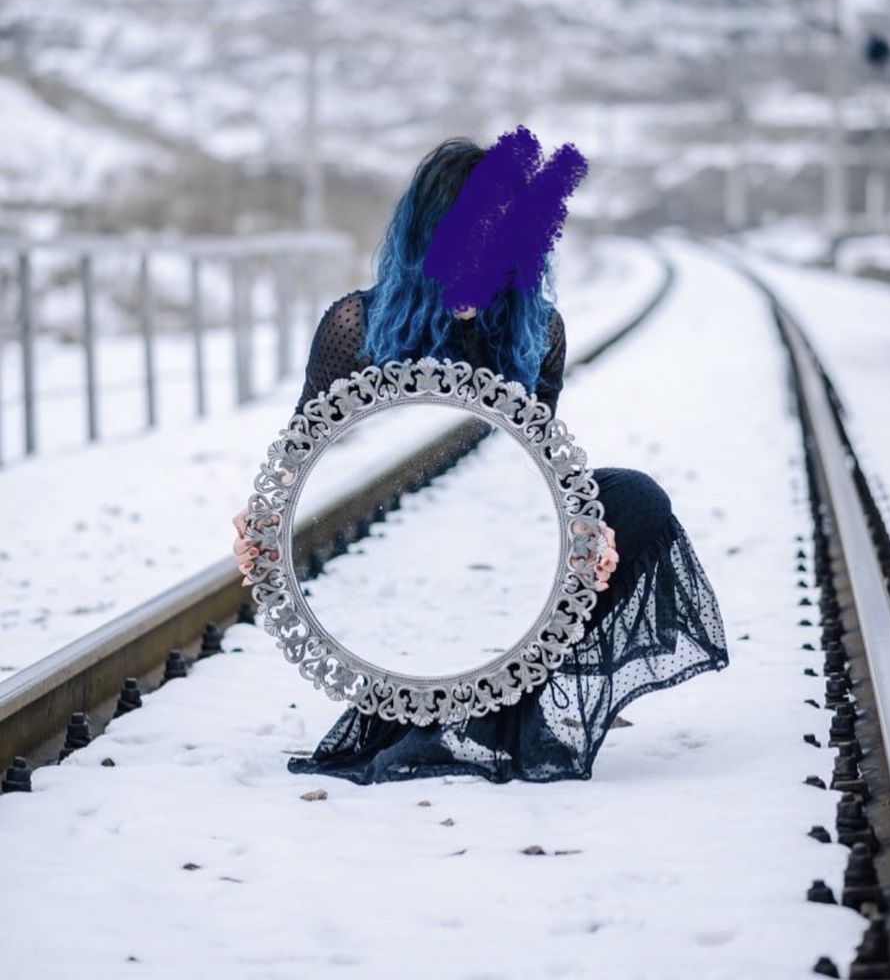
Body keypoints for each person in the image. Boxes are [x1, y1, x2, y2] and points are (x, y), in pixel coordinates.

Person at [232, 133, 729, 784]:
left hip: (503, 534)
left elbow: (540, 470)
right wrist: (262, 525)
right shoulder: (355, 324)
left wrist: (585, 528)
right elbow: (303, 460)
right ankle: (443, 723)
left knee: (633, 499)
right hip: (398, 554)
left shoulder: (538, 329)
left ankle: (487, 722)